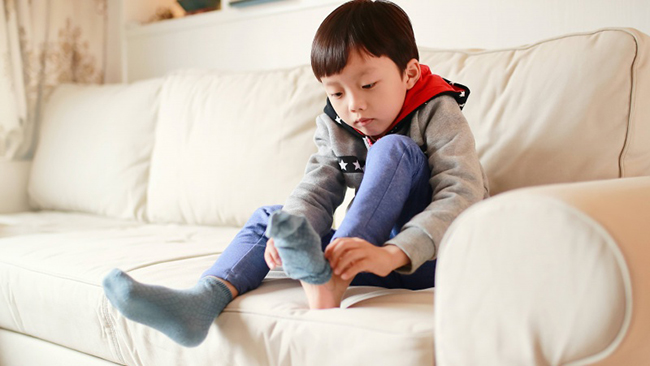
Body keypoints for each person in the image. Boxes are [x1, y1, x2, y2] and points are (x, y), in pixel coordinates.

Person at [102, 0, 489, 348]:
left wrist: (394, 252)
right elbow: (318, 188)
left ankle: (330, 282)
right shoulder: (337, 123)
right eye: (337, 93)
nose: (354, 105)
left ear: (408, 74)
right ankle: (201, 302)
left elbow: (463, 194)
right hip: (365, 259)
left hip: (422, 258)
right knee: (273, 219)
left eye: (368, 84)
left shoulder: (438, 111)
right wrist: (293, 232)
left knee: (393, 149)